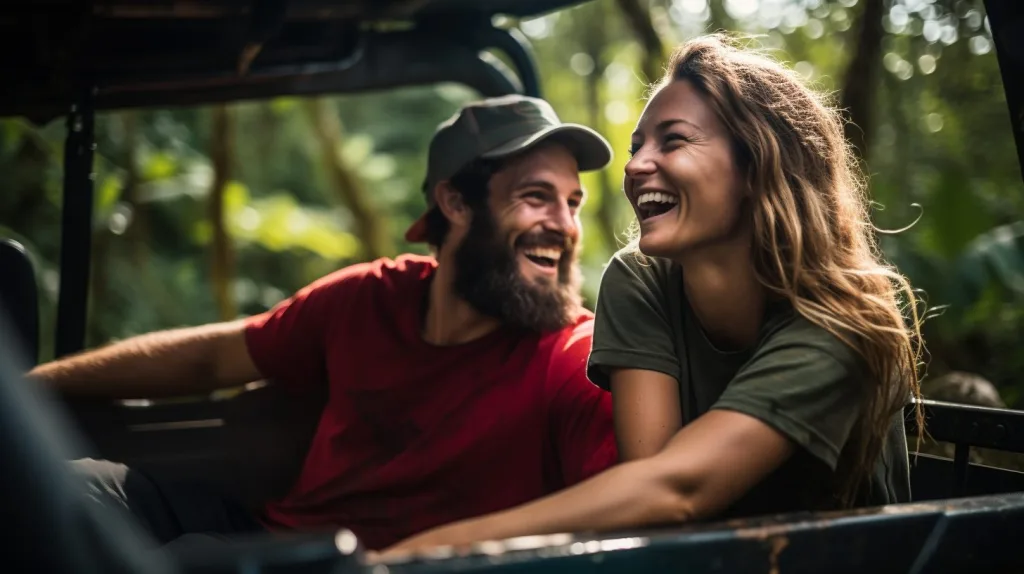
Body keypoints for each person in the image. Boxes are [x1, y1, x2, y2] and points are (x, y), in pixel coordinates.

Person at [380, 33, 925, 555]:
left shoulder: (842, 319)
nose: (636, 165)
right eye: (637, 145)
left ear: (757, 165)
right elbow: (649, 487)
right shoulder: (640, 280)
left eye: (675, 140)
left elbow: (676, 491)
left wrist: (438, 549)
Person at [28, 95, 619, 551]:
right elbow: (214, 357)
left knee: (187, 559)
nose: (564, 225)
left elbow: (643, 495)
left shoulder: (574, 356)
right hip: (274, 534)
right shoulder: (366, 298)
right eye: (537, 196)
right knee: (57, 487)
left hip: (372, 566)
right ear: (455, 204)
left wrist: (442, 549)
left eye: (573, 203)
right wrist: (30, 386)